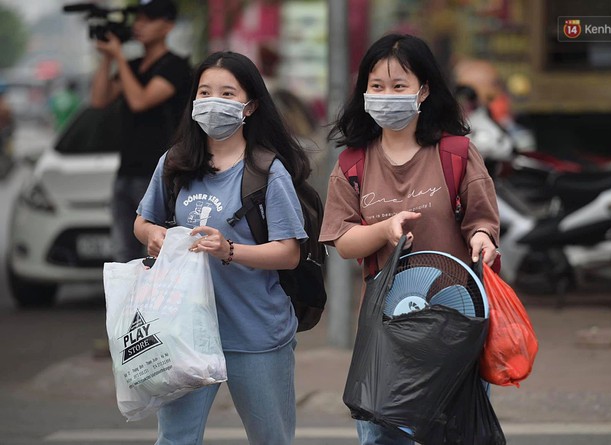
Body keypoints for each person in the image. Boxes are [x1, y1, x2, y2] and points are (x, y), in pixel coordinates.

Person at [319, 33, 500, 445]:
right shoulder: (352, 161)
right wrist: (384, 231)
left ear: (423, 90)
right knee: (383, 438)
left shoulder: (455, 152)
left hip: (455, 326)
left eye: (398, 86)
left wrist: (484, 240)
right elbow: (343, 242)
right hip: (386, 333)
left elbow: (482, 221)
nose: (386, 95)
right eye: (376, 86)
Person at [134, 50, 310, 445]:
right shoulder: (175, 163)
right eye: (205, 91)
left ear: (250, 107)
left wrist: (229, 250)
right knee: (175, 438)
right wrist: (152, 235)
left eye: (228, 93)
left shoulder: (268, 171)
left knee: (272, 438)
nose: (214, 101)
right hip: (184, 332)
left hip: (255, 332)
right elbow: (143, 220)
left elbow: (289, 252)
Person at [90, 0, 192, 262]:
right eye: (138, 19)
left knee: (154, 253)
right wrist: (108, 57)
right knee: (122, 252)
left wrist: (120, 58)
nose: (140, 25)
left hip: (158, 173)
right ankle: (126, 304)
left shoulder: (176, 67)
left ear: (167, 26)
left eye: (149, 19)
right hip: (126, 170)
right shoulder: (132, 66)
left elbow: (140, 100)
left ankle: (150, 304)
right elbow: (99, 99)